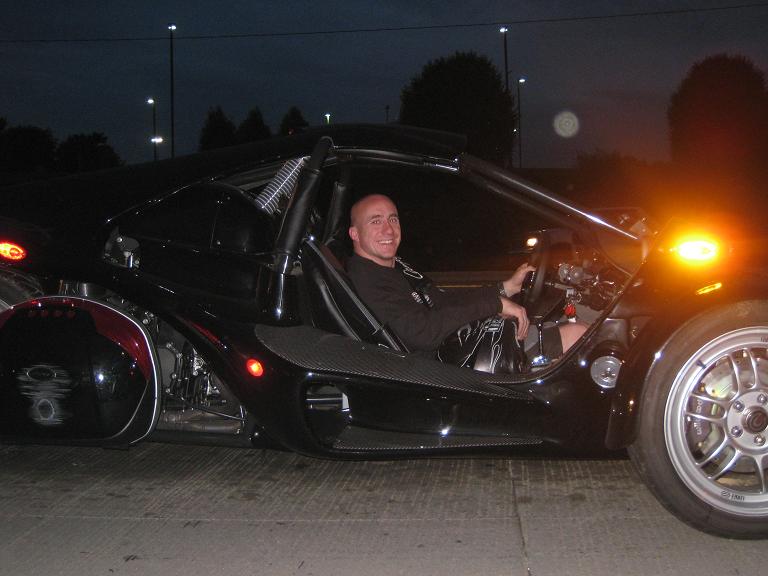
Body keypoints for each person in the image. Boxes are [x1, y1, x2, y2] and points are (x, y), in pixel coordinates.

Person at [345, 194, 586, 373]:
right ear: (354, 233)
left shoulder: (395, 267)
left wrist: (504, 289)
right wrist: (494, 304)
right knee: (578, 333)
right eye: (375, 221)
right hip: (448, 369)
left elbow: (442, 300)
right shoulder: (368, 278)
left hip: (460, 346)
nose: (388, 230)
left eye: (393, 219)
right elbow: (423, 333)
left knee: (559, 327)